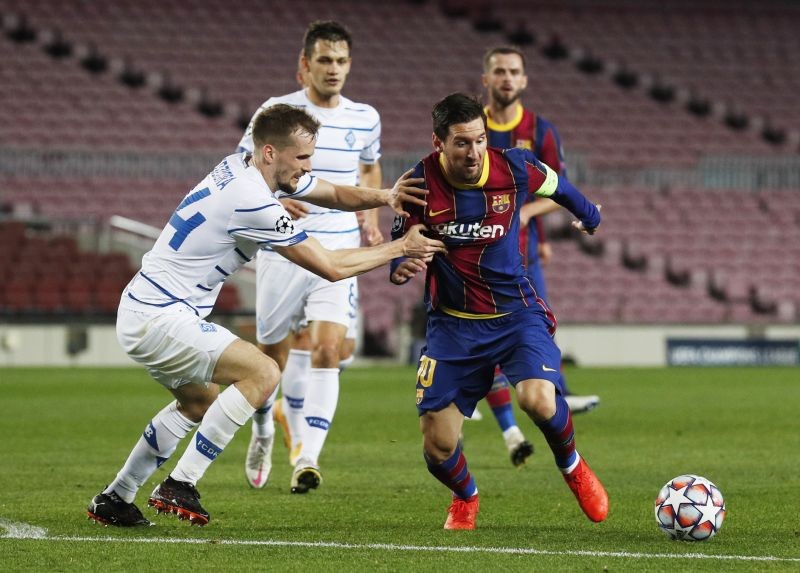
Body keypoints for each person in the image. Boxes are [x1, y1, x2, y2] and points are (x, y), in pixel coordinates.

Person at [86, 104, 445, 527]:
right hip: (162, 315)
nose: (307, 168)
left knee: (198, 402)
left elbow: (328, 192)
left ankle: (116, 498)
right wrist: (401, 248)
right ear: (271, 152)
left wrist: (384, 197)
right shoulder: (254, 202)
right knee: (263, 373)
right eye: (302, 158)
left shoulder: (238, 165)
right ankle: (181, 482)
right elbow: (329, 266)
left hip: (147, 307)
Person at [389, 93, 608, 530]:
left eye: (479, 140)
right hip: (453, 325)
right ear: (438, 142)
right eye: (461, 143)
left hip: (515, 313)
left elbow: (560, 187)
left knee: (538, 399)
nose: (473, 153)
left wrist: (590, 217)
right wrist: (403, 266)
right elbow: (401, 248)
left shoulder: (513, 166)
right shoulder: (416, 184)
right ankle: (466, 496)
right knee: (437, 445)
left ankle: (574, 468)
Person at [235, 21, 384, 493]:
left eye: (341, 60)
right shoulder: (276, 113)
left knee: (329, 348)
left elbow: (370, 163)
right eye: (324, 59)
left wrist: (371, 211)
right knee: (271, 360)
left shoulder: (365, 116)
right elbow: (242, 168)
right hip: (283, 246)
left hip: (338, 248)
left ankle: (307, 459)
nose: (334, 68)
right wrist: (274, 201)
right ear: (305, 65)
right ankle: (263, 429)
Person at [478, 46, 600, 468]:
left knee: (537, 334)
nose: (507, 78)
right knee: (483, 337)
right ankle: (504, 418)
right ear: (486, 79)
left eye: (514, 71)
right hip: (474, 255)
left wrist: (529, 214)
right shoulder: (472, 128)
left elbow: (557, 186)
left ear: (524, 80)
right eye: (499, 71)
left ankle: (552, 400)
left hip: (522, 255)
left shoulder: (540, 131)